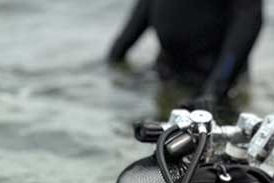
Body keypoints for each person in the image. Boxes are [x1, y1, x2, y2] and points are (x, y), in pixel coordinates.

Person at [106, 0, 263, 107]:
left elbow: (248, 21)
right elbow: (145, 9)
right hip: (165, 75)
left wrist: (214, 91)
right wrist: (114, 57)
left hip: (216, 86)